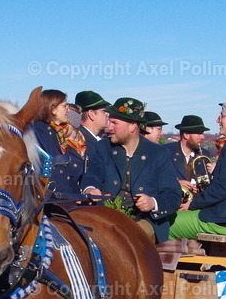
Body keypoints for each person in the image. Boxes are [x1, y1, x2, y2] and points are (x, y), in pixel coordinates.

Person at [80, 96, 181, 242]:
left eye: (115, 123)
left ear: (133, 126)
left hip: (145, 221)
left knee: (125, 238)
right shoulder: (103, 148)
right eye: (110, 122)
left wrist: (153, 202)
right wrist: (90, 189)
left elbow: (173, 195)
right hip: (106, 218)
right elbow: (91, 176)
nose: (110, 127)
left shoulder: (158, 153)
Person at [167, 99, 226, 239]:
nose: (217, 120)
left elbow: (222, 188)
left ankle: (176, 261)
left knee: (165, 224)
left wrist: (192, 204)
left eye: (222, 116)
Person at [31, 89, 88, 198]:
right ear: (53, 109)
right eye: (64, 106)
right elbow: (50, 171)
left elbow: (66, 174)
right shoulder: (39, 131)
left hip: (64, 196)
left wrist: (78, 196)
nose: (68, 110)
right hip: (50, 200)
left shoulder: (57, 133)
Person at [164, 114, 211, 207]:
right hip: (170, 205)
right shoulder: (166, 152)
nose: (202, 137)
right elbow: (155, 179)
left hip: (194, 206)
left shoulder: (204, 155)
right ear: (186, 135)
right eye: (198, 133)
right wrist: (177, 183)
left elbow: (207, 184)